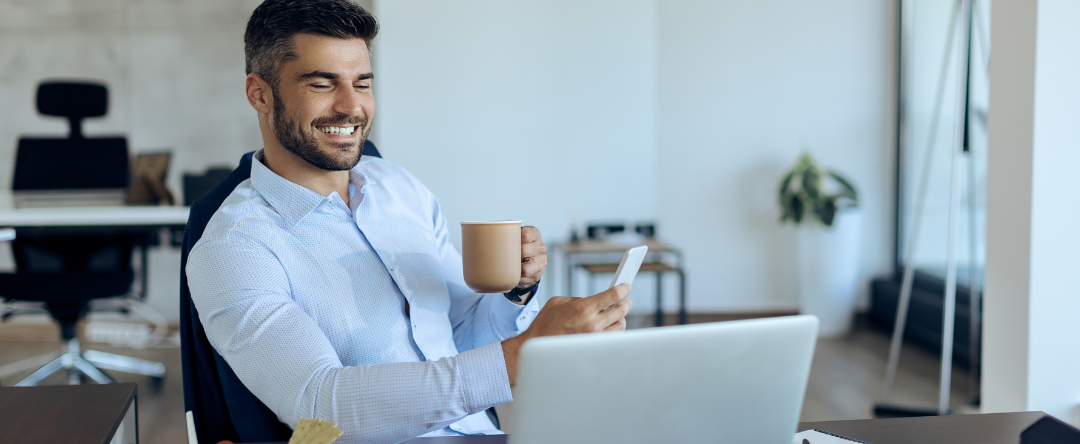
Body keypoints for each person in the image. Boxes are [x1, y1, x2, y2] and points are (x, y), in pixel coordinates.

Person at [185, 0, 633, 442]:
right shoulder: (232, 248)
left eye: (362, 84)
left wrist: (515, 294)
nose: (351, 106)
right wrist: (518, 357)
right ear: (259, 93)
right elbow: (321, 408)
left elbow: (457, 333)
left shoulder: (397, 188)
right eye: (323, 84)